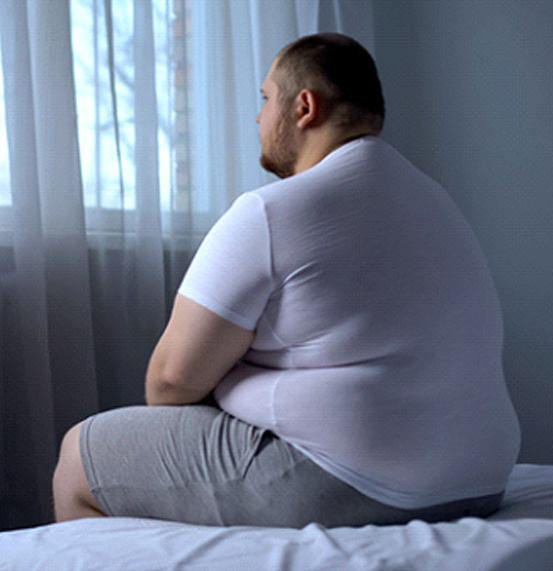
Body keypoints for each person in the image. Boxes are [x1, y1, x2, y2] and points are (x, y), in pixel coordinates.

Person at [53, 33, 521, 528]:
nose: (259, 117)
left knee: (79, 456)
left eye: (265, 98)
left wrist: (233, 378)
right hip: (481, 480)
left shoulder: (273, 212)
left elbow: (168, 384)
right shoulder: (435, 203)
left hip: (358, 480)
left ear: (304, 107)